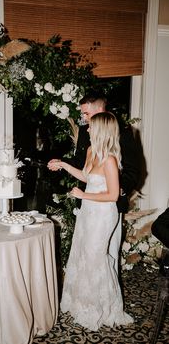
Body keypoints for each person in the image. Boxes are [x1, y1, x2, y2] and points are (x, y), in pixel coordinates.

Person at [47, 112, 134, 330]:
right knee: (83, 253)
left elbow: (113, 195)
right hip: (88, 212)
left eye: (91, 127)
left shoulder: (111, 160)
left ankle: (101, 307)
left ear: (102, 130)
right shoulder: (90, 151)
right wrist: (64, 165)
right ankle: (81, 302)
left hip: (104, 214)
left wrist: (84, 195)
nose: (87, 130)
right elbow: (87, 177)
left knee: (97, 257)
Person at [48, 95, 140, 274]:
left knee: (107, 255)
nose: (84, 120)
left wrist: (117, 189)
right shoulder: (87, 137)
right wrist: (62, 163)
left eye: (86, 114)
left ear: (98, 111)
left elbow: (133, 170)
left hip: (108, 205)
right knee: (85, 253)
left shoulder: (123, 133)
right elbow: (84, 169)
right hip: (88, 206)